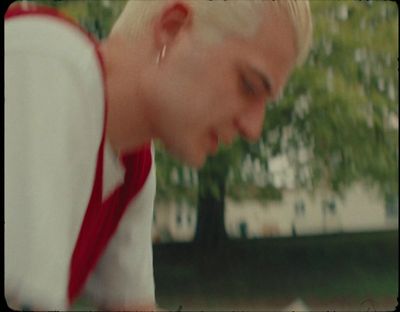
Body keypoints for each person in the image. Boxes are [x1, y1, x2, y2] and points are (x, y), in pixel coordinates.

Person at [5, 0, 312, 310]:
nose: (253, 128)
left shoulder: (132, 161)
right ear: (172, 29)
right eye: (248, 85)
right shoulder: (45, 62)